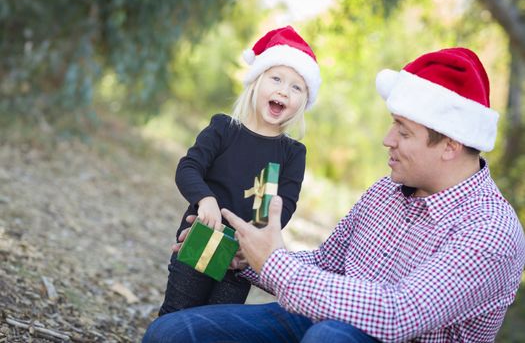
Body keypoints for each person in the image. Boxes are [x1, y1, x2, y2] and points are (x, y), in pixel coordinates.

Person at [145, 48, 525, 342]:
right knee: (173, 334)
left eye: (403, 132)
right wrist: (245, 258)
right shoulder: (387, 191)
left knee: (329, 337)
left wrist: (275, 264)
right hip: (321, 321)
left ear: (450, 146)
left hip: (367, 335)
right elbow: (326, 263)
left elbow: (399, 313)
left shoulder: (491, 230)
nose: (387, 141)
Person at [157, 25, 322, 315]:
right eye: (276, 78)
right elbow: (189, 167)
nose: (284, 90)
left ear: (303, 102)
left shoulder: (293, 154)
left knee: (214, 326)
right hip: (201, 235)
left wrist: (257, 243)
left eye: (296, 87)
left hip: (240, 257)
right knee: (177, 313)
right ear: (256, 82)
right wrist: (205, 199)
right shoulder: (224, 129)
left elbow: (284, 206)